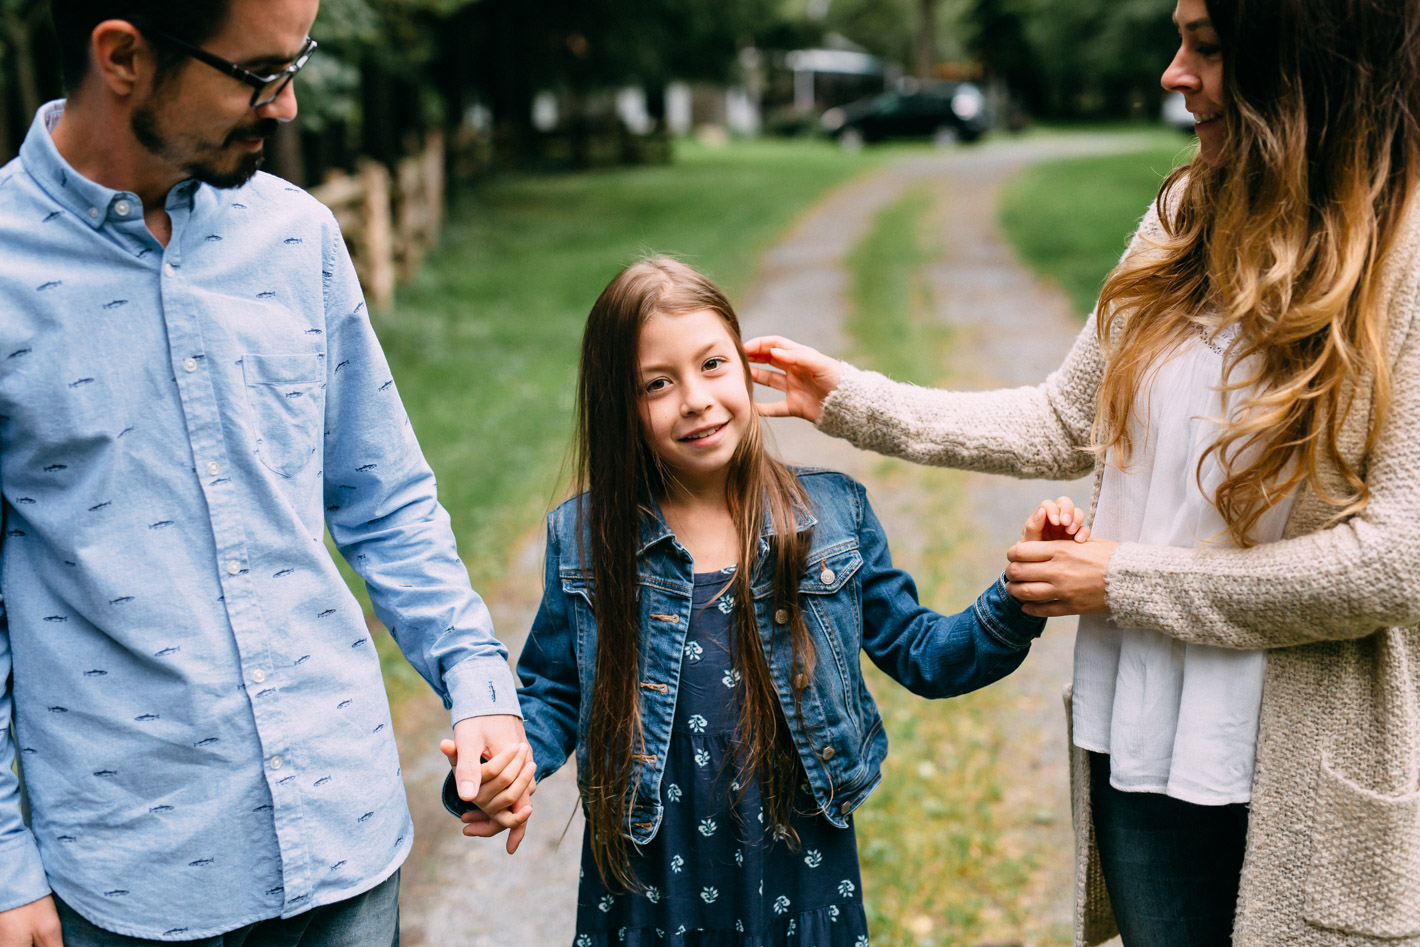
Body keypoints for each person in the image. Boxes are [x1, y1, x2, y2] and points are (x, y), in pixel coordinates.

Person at [742, 0, 1420, 944]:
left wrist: (1121, 579)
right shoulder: (1186, 212)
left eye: (1209, 47)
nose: (1172, 73)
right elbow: (1067, 417)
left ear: (1303, 60)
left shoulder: (1405, 251)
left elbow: (1400, 558)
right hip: (1141, 732)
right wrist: (848, 399)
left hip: (1297, 754)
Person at [0, 1, 534, 944]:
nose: (285, 107)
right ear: (122, 57)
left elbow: (386, 496)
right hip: (132, 885)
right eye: (257, 73)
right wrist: (6, 865)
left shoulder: (296, 236)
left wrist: (476, 678)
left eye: (298, 64)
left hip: (349, 843)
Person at [441, 257, 1061, 944]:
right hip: (651, 893)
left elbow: (925, 655)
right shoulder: (590, 538)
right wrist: (497, 764)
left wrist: (1017, 594)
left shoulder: (830, 514)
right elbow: (553, 692)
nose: (696, 399)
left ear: (745, 366)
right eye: (658, 383)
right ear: (620, 405)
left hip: (799, 878)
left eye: (711, 364)